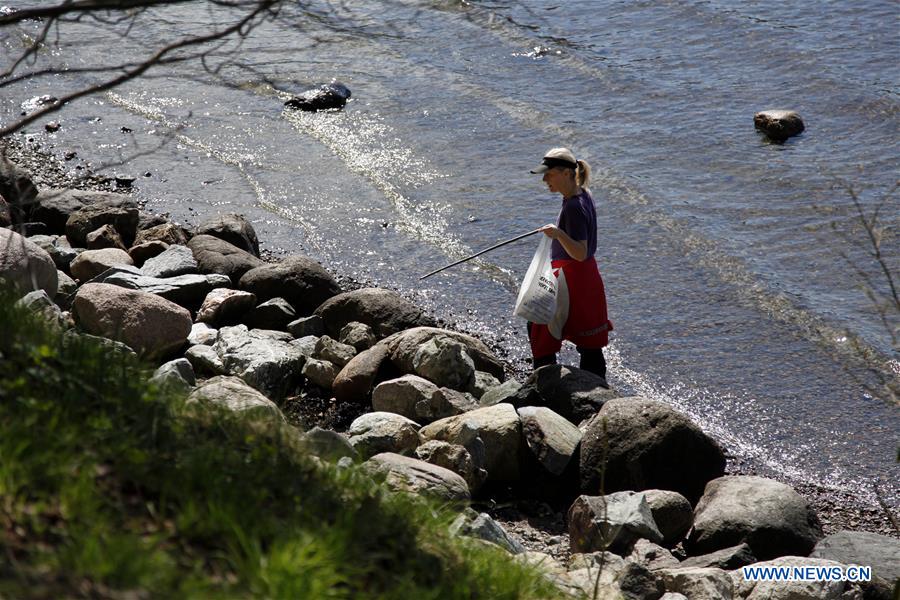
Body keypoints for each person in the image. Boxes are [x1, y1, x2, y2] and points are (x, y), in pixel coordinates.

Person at [527, 147, 613, 379]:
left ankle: (544, 381)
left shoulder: (574, 206)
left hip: (573, 278)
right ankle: (598, 391)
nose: (545, 179)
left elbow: (580, 252)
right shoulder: (582, 194)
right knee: (589, 342)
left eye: (549, 174)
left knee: (538, 319)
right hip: (587, 278)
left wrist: (558, 234)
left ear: (565, 173)